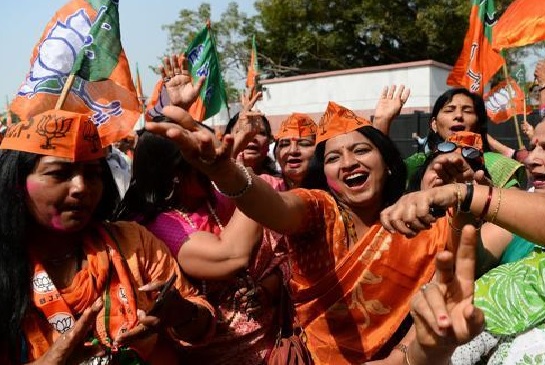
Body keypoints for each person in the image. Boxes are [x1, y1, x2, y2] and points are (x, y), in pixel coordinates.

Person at [144, 100, 474, 364]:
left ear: (388, 163)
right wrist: (228, 173)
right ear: (324, 175)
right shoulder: (319, 209)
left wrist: (469, 197)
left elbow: (464, 267)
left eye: (360, 151)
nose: (348, 163)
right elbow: (275, 208)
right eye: (333, 157)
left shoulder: (421, 223)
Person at [0, 109, 215, 364]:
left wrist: (184, 314)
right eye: (59, 173)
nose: (81, 187)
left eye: (92, 174)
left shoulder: (133, 242)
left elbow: (203, 323)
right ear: (17, 183)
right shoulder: (7, 264)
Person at [117, 54, 287, 364]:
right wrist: (235, 169)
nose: (213, 162)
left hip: (272, 344)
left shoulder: (210, 196)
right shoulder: (160, 225)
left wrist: (179, 110)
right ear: (176, 174)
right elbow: (232, 256)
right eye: (201, 161)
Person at [402, 88, 527, 189]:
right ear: (434, 124)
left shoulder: (499, 164)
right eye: (449, 110)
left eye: (467, 111)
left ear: (478, 124)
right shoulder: (416, 162)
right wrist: (383, 121)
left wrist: (487, 198)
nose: (458, 116)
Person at [273, 112, 317, 190]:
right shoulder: (268, 185)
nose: (293, 151)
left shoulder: (333, 191)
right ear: (276, 153)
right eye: (285, 144)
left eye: (304, 144)